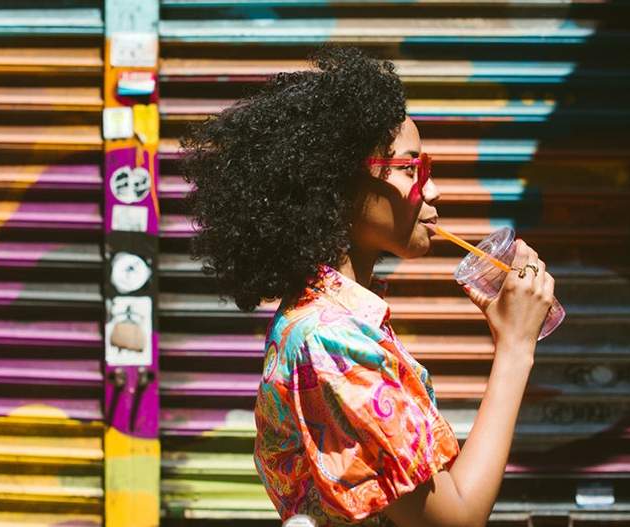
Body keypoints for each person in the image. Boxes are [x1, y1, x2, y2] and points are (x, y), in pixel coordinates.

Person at [180, 45, 555, 527]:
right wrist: (516, 347)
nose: (433, 191)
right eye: (410, 168)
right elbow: (457, 520)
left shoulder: (332, 320)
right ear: (337, 186)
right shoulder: (333, 341)